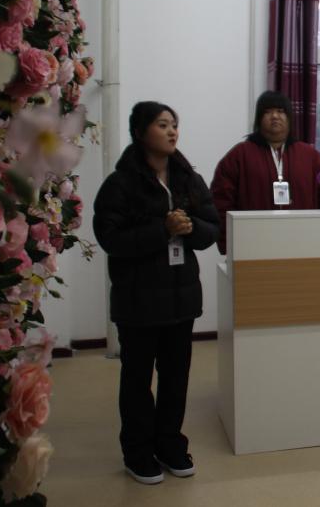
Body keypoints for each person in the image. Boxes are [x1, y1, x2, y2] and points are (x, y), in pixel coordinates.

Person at [93, 102, 220, 485]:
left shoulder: (188, 178)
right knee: (137, 381)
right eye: (162, 125)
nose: (172, 131)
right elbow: (111, 238)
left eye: (174, 125)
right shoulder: (120, 184)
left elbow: (211, 229)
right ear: (140, 131)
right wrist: (162, 230)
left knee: (176, 378)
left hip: (182, 299)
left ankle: (170, 445)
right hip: (138, 302)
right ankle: (137, 452)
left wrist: (188, 228)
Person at [211, 91, 320, 253]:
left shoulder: (310, 156)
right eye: (267, 111)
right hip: (253, 245)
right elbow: (221, 202)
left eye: (280, 111)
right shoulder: (239, 155)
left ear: (289, 118)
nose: (275, 116)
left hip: (304, 243)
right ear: (259, 119)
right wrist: (231, 245)